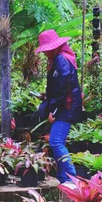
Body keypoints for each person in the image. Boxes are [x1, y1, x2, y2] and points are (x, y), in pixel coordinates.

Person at [35, 29, 82, 184]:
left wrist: (52, 110)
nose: (45, 53)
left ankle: (72, 179)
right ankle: (64, 179)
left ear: (54, 47)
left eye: (46, 50)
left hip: (65, 108)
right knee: (57, 142)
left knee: (56, 142)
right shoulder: (59, 59)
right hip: (65, 107)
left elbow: (61, 88)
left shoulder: (61, 60)